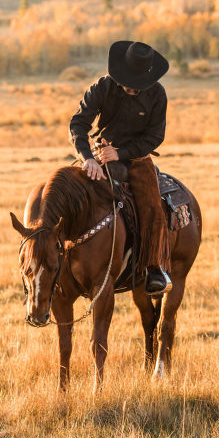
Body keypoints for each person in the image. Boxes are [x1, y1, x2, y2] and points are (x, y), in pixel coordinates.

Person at [69, 40, 172, 295]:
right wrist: (87, 158)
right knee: (64, 194)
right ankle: (55, 257)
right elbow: (78, 124)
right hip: (98, 154)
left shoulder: (157, 94)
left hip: (136, 157)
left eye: (137, 84)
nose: (131, 88)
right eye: (128, 82)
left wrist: (121, 153)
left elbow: (155, 136)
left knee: (151, 204)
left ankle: (153, 266)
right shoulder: (102, 87)